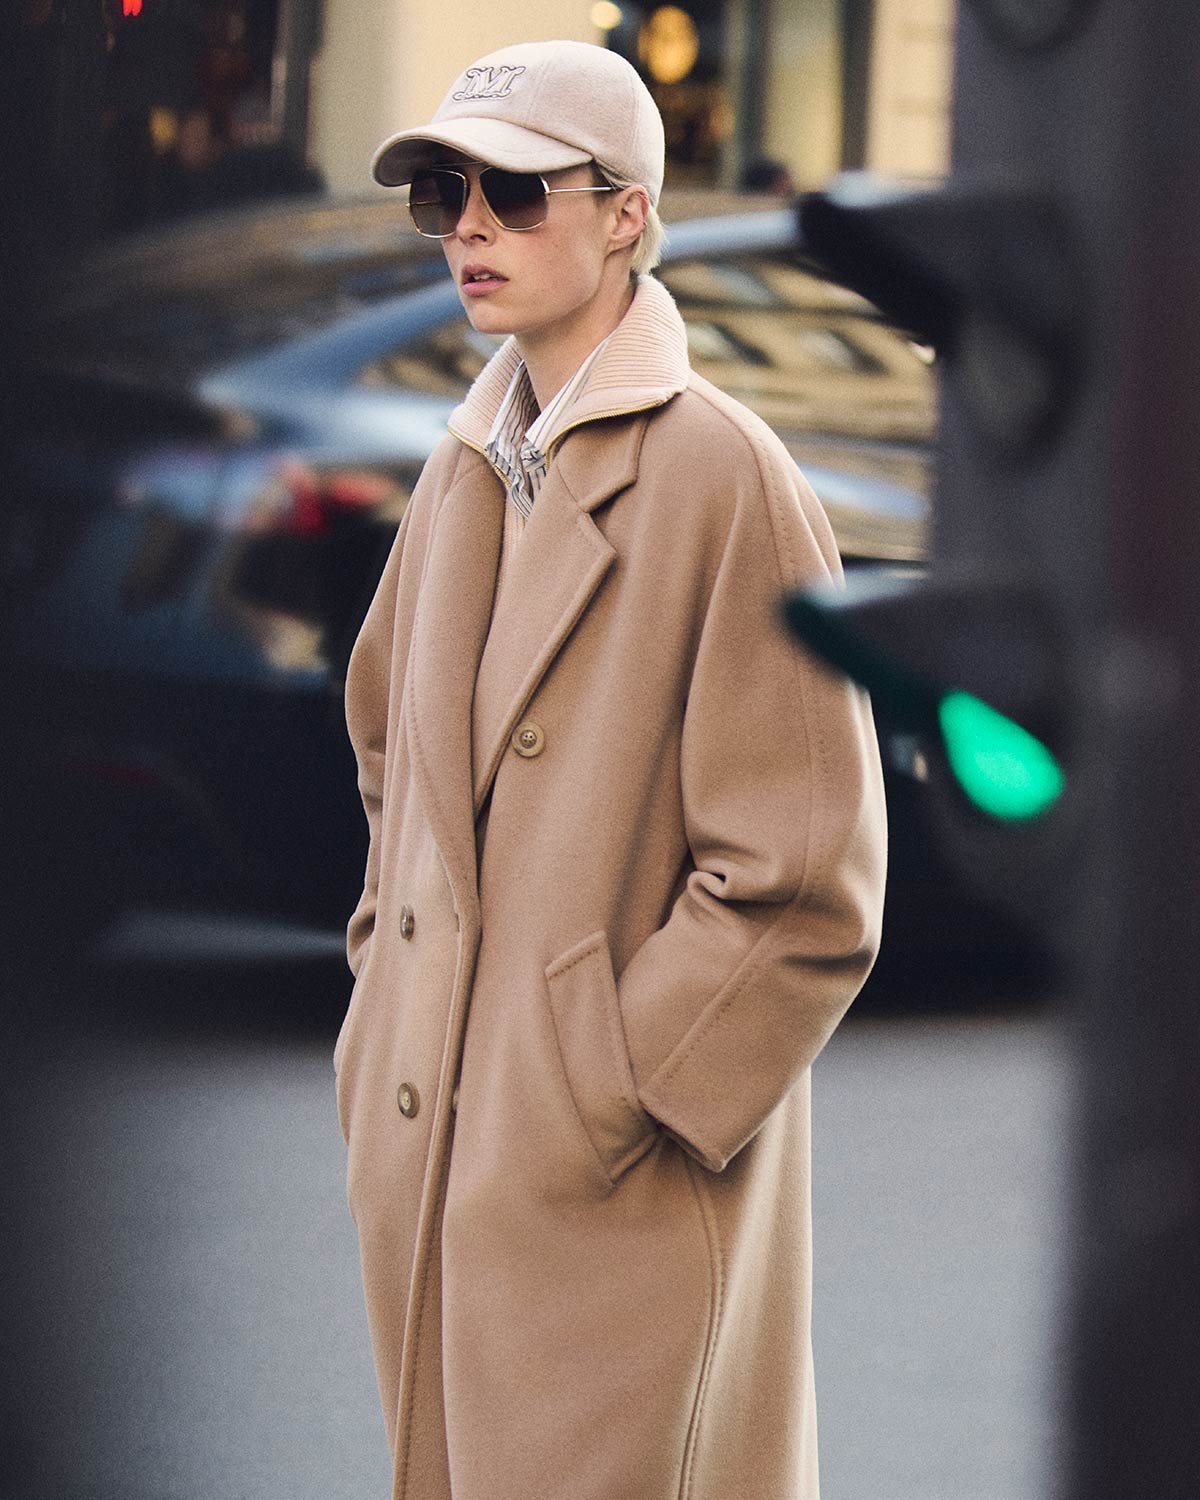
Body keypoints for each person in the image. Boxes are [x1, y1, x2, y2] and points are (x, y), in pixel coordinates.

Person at [335, 39, 886, 1500]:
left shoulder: (727, 475)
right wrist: (385, 1003)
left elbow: (804, 876)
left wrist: (611, 1085)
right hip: (447, 1155)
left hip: (613, 1189)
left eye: (513, 193)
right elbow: (392, 750)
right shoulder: (467, 466)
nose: (467, 227)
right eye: (444, 193)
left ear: (627, 213)